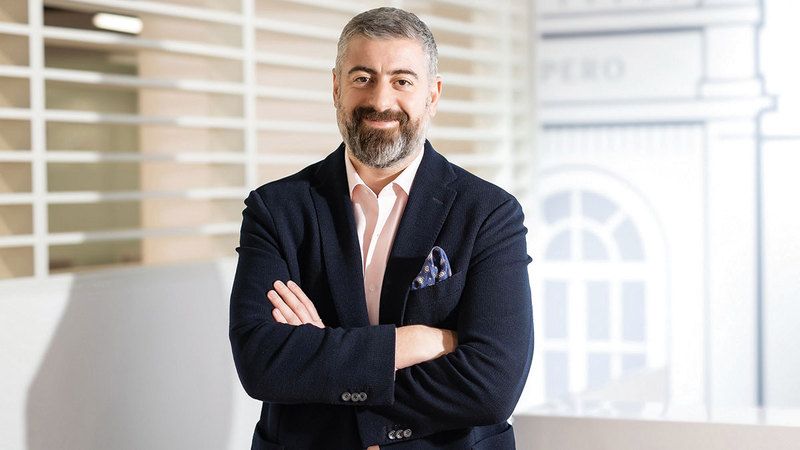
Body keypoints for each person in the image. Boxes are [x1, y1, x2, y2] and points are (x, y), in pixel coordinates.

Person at [229, 7, 533, 449]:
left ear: (432, 95)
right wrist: (416, 342)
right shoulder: (275, 210)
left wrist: (322, 358)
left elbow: (492, 386)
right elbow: (262, 364)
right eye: (362, 78)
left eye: (402, 81)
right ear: (336, 88)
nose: (381, 101)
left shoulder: (489, 213)